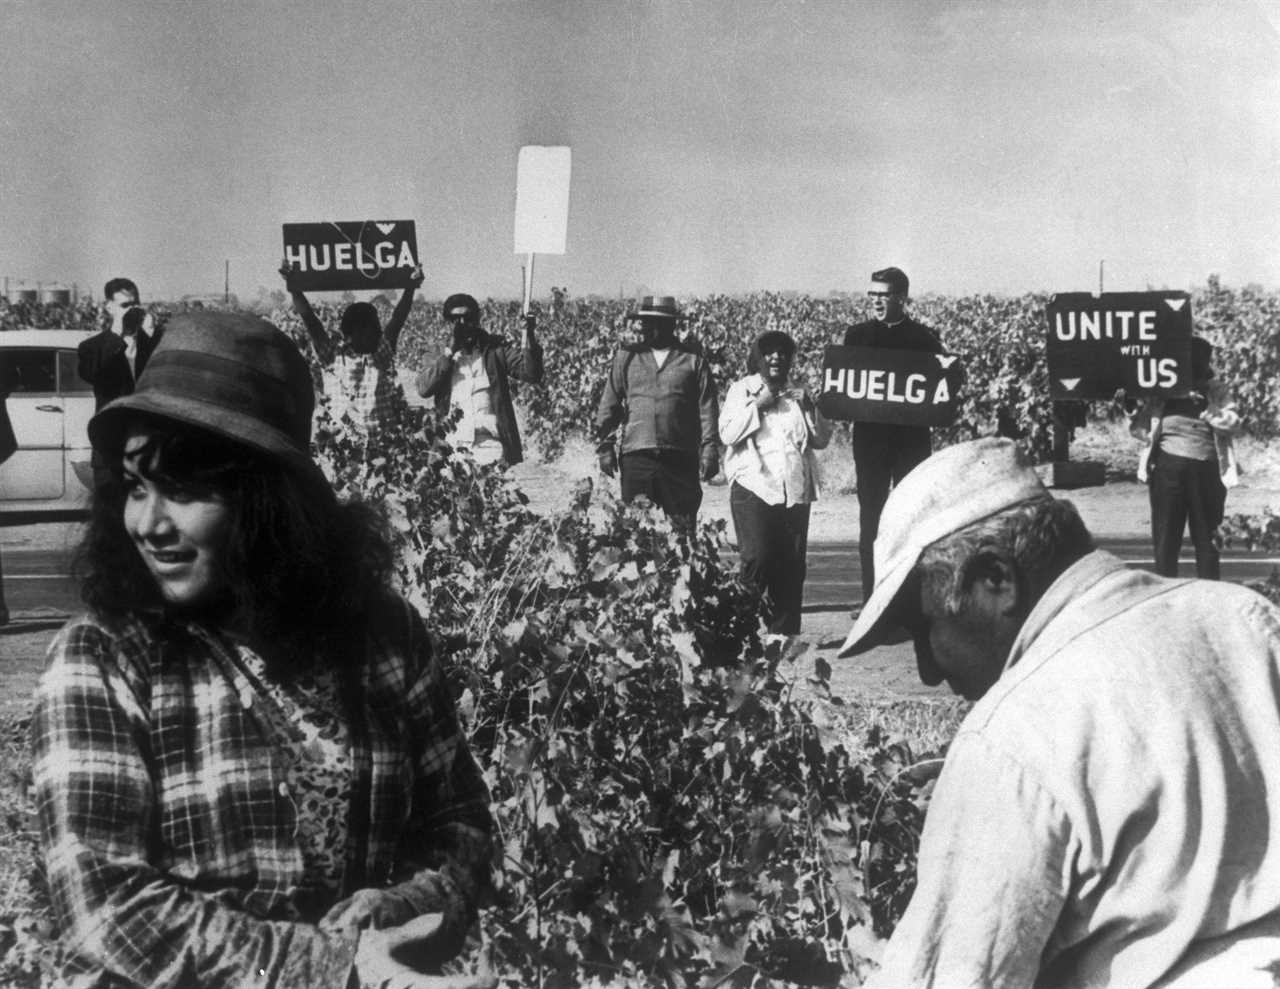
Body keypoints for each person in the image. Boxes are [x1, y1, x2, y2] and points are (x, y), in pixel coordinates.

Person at [31, 312, 495, 989]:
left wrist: (408, 905)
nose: (148, 523)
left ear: (266, 497)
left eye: (184, 490)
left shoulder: (381, 638)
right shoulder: (103, 660)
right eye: (135, 487)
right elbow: (108, 906)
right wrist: (337, 966)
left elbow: (462, 825)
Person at [839, 437, 1280, 989]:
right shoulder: (1244, 621)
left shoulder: (1010, 738)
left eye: (924, 629)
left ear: (995, 580)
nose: (928, 670)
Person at [841, 267, 943, 609]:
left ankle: (908, 602)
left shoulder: (925, 340)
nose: (877, 302)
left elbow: (941, 389)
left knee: (910, 519)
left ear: (901, 298)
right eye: (873, 295)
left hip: (910, 445)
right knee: (871, 518)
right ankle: (872, 600)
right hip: (870, 444)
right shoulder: (856, 337)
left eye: (883, 296)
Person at [719, 330, 831, 633]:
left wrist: (811, 407)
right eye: (769, 352)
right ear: (758, 356)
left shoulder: (798, 393)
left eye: (783, 352)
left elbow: (821, 440)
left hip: (793, 488)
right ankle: (738, 628)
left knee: (792, 565)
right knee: (757, 558)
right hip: (754, 486)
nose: (776, 357)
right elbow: (727, 434)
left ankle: (783, 634)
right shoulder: (742, 390)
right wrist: (759, 405)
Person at [594, 295, 719, 526]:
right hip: (637, 457)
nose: (654, 328)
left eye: (662, 323)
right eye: (649, 322)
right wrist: (605, 447)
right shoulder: (627, 358)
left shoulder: (693, 360)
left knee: (682, 530)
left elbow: (707, 407)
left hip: (680, 458)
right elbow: (609, 404)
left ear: (673, 325)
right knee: (636, 530)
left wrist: (710, 449)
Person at [1128, 335, 1240, 579]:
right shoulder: (1161, 393)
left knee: (1208, 540)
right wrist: (1129, 408)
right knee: (1166, 539)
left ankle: (1210, 593)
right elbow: (1142, 431)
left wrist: (1207, 409)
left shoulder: (1216, 391)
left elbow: (1233, 423)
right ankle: (1166, 592)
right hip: (1169, 469)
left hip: (1207, 470)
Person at [280, 260, 425, 437]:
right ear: (350, 333)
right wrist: (294, 288)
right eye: (368, 330)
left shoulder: (381, 352)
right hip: (350, 443)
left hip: (386, 440)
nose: (377, 334)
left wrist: (410, 287)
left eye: (376, 329)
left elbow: (398, 318)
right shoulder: (335, 356)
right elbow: (311, 321)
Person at [416, 294, 543, 466]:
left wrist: (529, 336)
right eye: (455, 319)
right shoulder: (436, 352)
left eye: (467, 318)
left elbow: (531, 374)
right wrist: (449, 352)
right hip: (452, 445)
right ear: (448, 323)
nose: (462, 325)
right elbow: (424, 389)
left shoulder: (495, 349)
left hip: (490, 444)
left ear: (477, 320)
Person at [77, 278, 161, 487]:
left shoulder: (153, 342)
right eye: (125, 306)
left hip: (147, 442)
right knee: (110, 512)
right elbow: (91, 373)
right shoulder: (92, 347)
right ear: (109, 307)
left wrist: (153, 336)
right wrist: (117, 335)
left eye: (135, 304)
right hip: (110, 445)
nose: (132, 310)